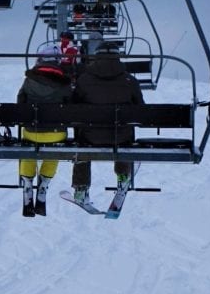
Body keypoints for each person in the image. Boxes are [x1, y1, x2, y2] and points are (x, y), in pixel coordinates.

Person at [70, 48, 142, 208]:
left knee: (81, 141)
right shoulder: (130, 80)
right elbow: (140, 110)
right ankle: (123, 176)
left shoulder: (83, 80)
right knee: (124, 134)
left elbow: (73, 109)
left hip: (90, 136)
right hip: (121, 137)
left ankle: (81, 187)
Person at [14, 57, 72, 216]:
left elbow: (20, 105)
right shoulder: (65, 85)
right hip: (56, 135)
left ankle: (27, 181)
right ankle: (44, 183)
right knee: (53, 150)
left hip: (32, 132)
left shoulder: (28, 82)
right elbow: (72, 110)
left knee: (28, 147)